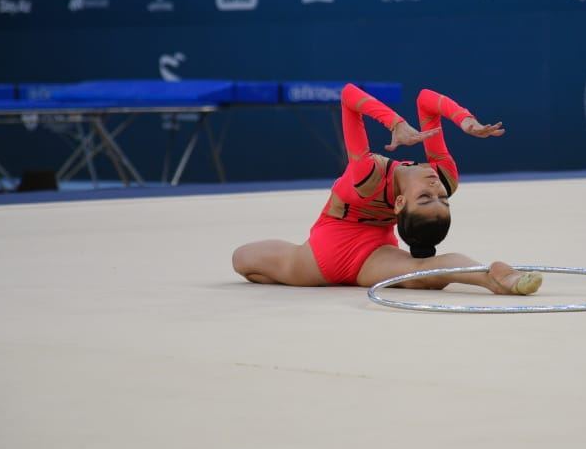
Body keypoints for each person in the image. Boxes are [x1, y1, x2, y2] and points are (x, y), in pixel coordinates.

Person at [232, 83, 543, 295]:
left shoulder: (368, 176)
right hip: (325, 252)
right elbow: (425, 100)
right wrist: (464, 120)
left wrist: (395, 123)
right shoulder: (444, 176)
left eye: (426, 198)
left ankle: (495, 277)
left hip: (347, 257)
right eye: (442, 199)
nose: (437, 188)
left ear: (398, 203)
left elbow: (349, 97)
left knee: (420, 276)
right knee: (241, 261)